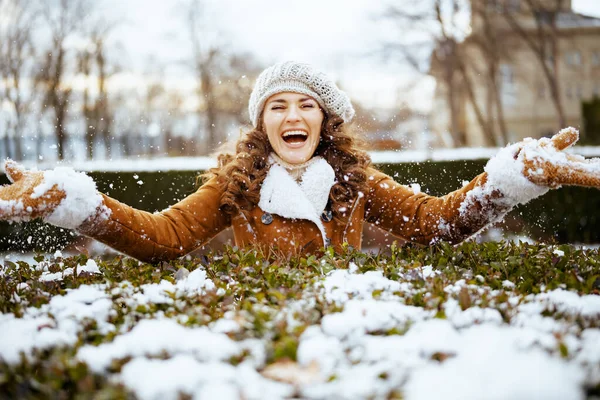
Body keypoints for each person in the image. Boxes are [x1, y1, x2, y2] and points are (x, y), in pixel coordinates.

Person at [1, 61, 599, 263]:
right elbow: (165, 236)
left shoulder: (357, 180)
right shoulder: (234, 186)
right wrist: (75, 204)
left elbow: (435, 222)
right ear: (263, 122)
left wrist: (512, 179)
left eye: (306, 104)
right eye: (278, 105)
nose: (293, 115)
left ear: (323, 121)